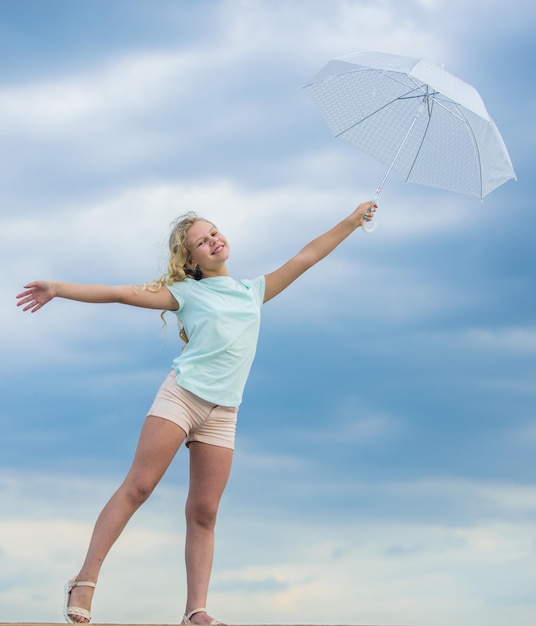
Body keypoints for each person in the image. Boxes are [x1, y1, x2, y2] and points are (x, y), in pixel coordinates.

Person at [16, 200, 377, 625]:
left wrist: (353, 221)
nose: (213, 241)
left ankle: (195, 611)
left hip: (224, 413)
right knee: (139, 487)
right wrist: (59, 288)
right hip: (182, 397)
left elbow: (307, 256)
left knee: (204, 511)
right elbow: (119, 294)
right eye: (201, 241)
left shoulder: (253, 291)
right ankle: (84, 580)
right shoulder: (186, 293)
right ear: (191, 259)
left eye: (214, 233)